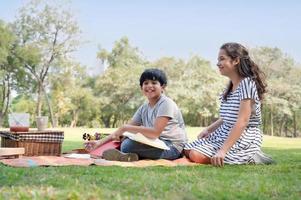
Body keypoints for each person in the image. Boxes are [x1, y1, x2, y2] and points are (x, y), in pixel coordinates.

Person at [184, 42, 273, 167]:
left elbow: (243, 121)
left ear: (236, 60)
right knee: (187, 150)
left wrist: (222, 151)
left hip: (243, 137)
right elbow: (227, 117)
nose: (218, 63)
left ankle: (251, 155)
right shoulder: (230, 87)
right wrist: (208, 129)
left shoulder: (247, 83)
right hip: (224, 132)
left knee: (196, 155)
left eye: (222, 59)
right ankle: (223, 152)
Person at [85, 68, 188, 161]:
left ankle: (127, 154)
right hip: (156, 143)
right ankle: (129, 156)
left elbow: (155, 132)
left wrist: (125, 128)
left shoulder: (166, 103)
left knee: (128, 145)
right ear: (141, 87)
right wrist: (99, 143)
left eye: (154, 82)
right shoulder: (144, 107)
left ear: (162, 87)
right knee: (125, 140)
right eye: (146, 83)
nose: (149, 86)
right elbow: (123, 130)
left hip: (172, 147)